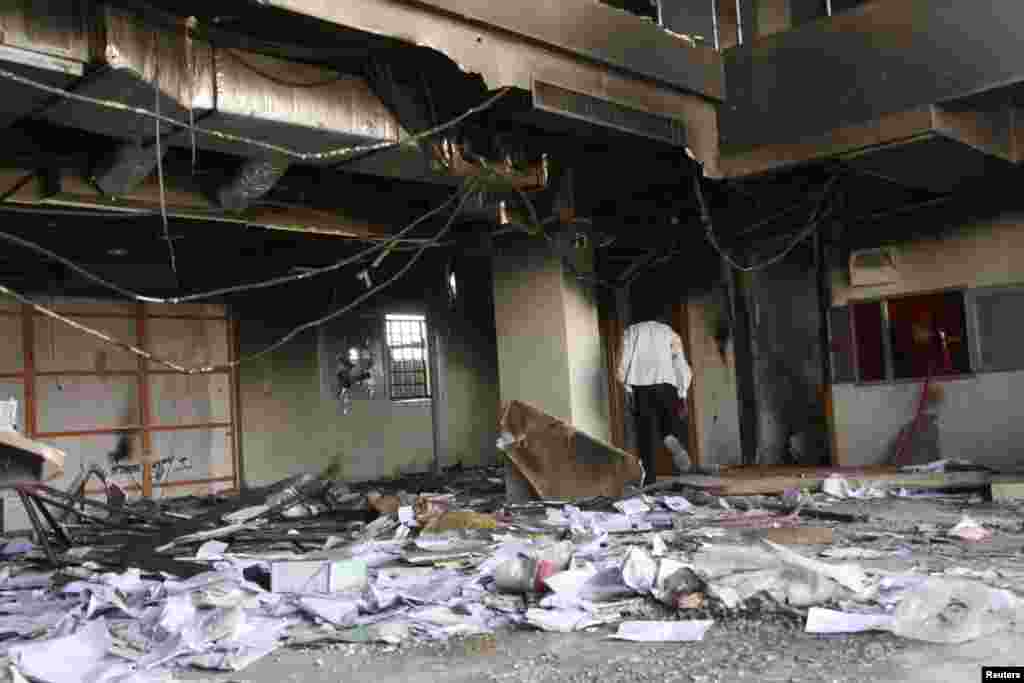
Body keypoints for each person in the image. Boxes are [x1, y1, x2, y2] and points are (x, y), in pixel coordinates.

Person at [617, 305, 692, 486]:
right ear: (659, 318)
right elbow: (680, 363)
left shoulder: (630, 332)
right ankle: (669, 437)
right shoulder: (670, 333)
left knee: (645, 433)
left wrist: (626, 387)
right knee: (669, 424)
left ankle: (649, 478)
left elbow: (623, 361)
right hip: (667, 384)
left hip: (641, 387)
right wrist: (682, 392)